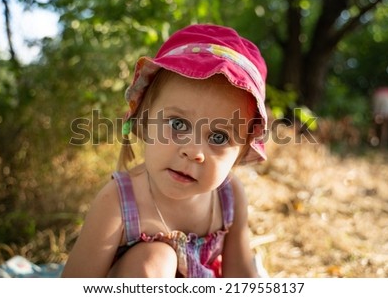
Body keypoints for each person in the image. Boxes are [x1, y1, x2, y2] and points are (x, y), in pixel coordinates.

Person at [62, 24, 268, 278]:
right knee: (155, 258)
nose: (193, 152)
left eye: (219, 136)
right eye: (178, 124)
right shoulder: (119, 201)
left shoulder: (230, 197)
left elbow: (240, 277)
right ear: (146, 120)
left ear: (241, 151)